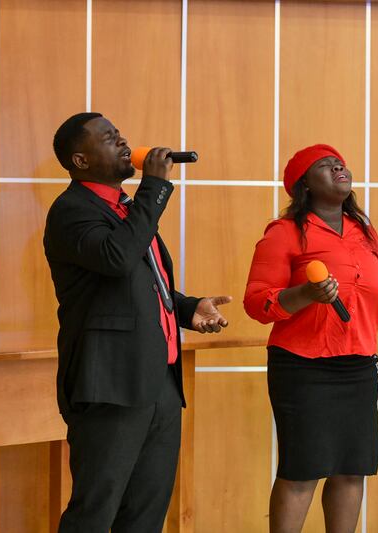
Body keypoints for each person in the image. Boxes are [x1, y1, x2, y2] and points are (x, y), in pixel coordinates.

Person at [43, 112, 231, 532]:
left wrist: (187, 307)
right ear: (81, 160)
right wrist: (156, 186)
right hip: (111, 383)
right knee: (95, 510)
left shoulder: (128, 208)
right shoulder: (71, 211)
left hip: (159, 382)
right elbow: (116, 258)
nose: (124, 143)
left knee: (145, 514)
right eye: (109, 139)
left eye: (121, 134)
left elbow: (139, 281)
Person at [244, 144, 378, 533]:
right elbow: (256, 303)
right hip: (302, 367)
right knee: (302, 470)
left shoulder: (365, 232)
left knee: (352, 470)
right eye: (324, 165)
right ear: (304, 186)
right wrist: (305, 295)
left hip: (358, 366)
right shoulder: (284, 233)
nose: (337, 166)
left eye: (339, 162)